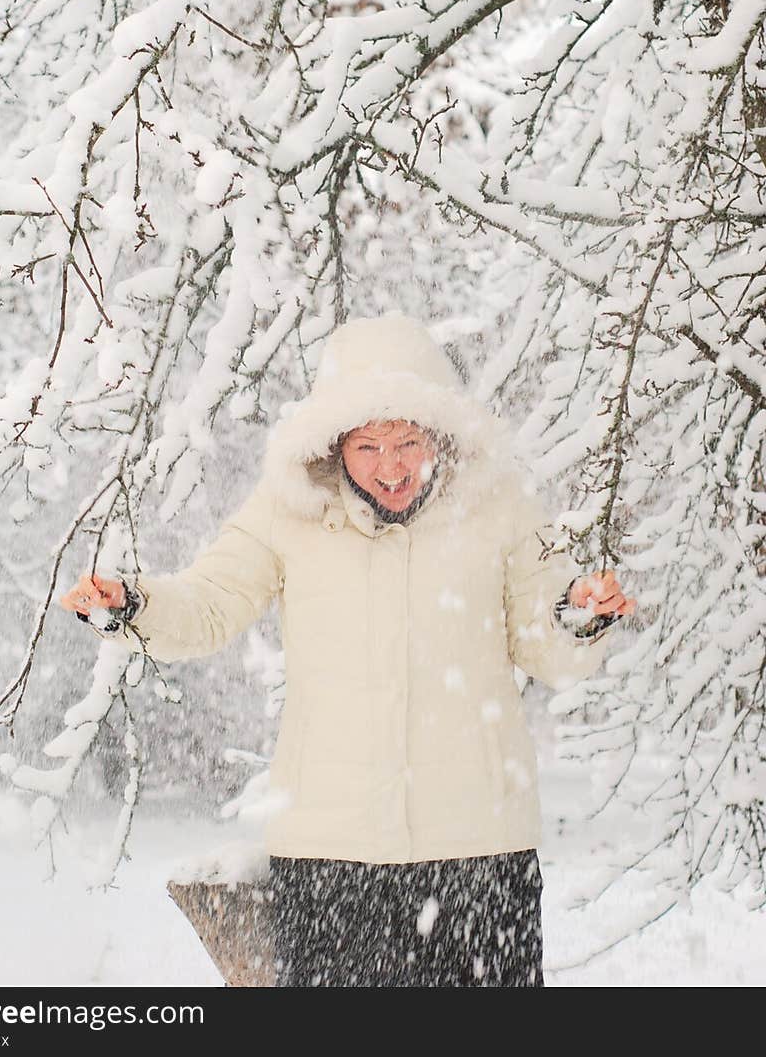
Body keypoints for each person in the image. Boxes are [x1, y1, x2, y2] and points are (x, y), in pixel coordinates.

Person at [60, 312, 636, 987]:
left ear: (439, 436)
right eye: (369, 446)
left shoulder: (498, 505)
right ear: (336, 445)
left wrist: (578, 615)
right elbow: (210, 603)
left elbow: (546, 637)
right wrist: (133, 605)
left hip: (480, 852)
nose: (390, 466)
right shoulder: (288, 511)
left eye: (407, 441)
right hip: (332, 858)